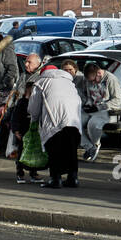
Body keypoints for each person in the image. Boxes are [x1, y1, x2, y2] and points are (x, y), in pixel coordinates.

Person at [28, 59, 83, 188]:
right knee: (71, 149)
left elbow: (33, 108)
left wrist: (34, 121)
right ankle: (73, 178)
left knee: (55, 149)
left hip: (55, 121)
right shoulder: (69, 82)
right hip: (74, 120)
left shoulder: (41, 82)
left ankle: (55, 179)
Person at [76, 61, 121, 162]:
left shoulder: (111, 79)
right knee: (74, 122)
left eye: (93, 80)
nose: (92, 83)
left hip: (107, 111)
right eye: (90, 81)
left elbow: (117, 100)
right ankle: (89, 147)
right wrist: (86, 104)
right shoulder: (87, 80)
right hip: (91, 109)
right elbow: (87, 96)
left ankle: (95, 144)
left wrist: (99, 107)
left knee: (93, 124)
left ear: (99, 73)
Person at [10, 78, 45, 185]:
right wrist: (16, 131)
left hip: (35, 133)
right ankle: (20, 172)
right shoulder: (21, 103)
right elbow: (15, 118)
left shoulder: (39, 104)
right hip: (23, 133)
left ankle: (33, 173)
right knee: (21, 153)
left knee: (34, 153)